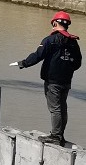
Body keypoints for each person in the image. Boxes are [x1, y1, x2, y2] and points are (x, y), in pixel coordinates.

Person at [10, 11, 82, 145]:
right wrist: (66, 70)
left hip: (52, 81)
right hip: (66, 81)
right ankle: (60, 136)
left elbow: (38, 55)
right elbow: (77, 63)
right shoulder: (73, 42)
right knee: (62, 108)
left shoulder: (50, 40)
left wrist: (23, 63)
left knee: (55, 109)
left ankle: (55, 136)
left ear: (55, 23)